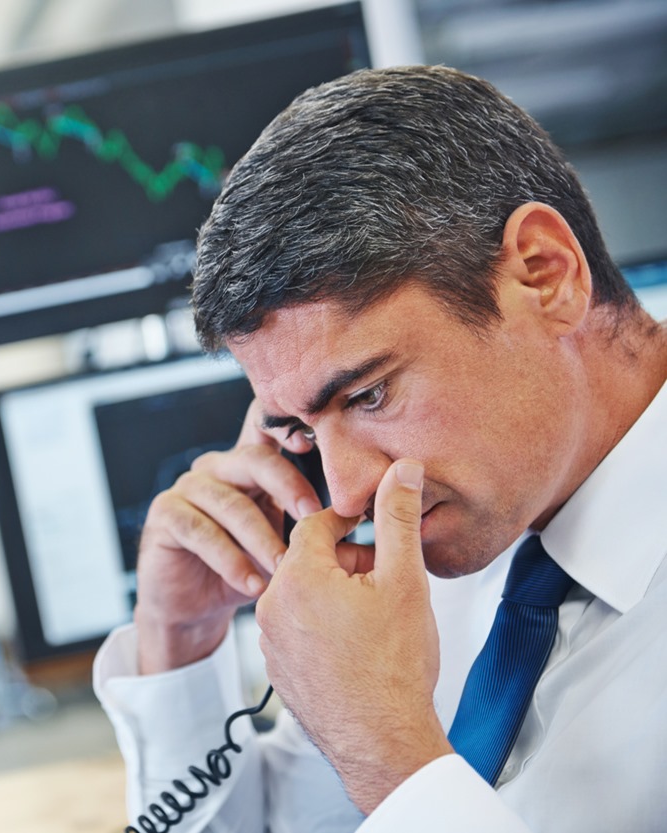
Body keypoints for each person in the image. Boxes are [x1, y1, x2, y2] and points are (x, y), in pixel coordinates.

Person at [92, 64, 667, 832]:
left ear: (543, 274)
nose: (348, 494)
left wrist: (394, 761)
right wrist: (182, 642)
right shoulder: (438, 545)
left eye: (368, 395)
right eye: (297, 428)